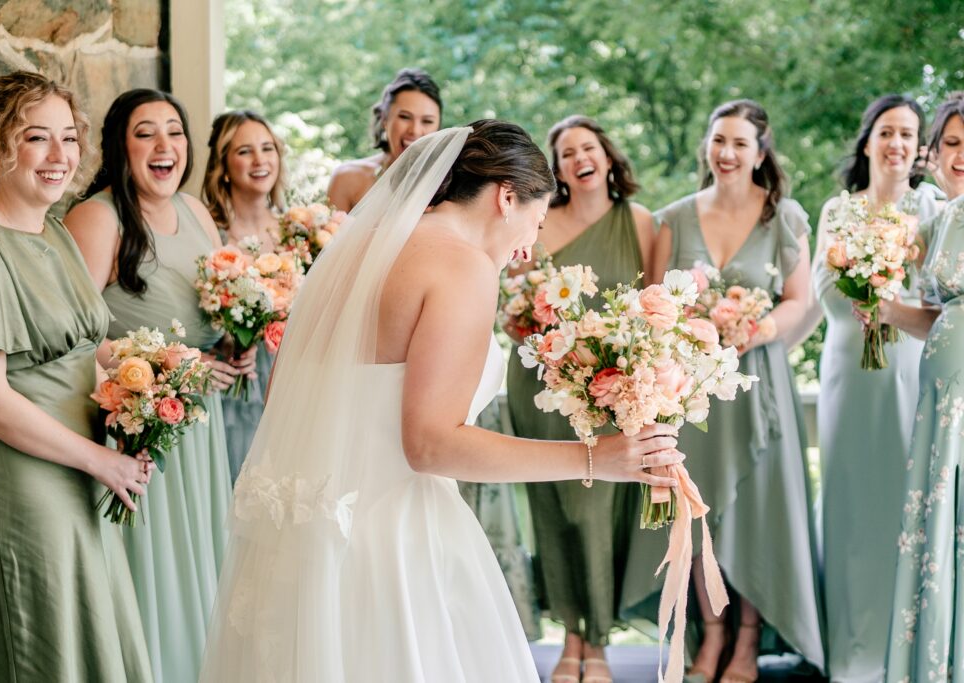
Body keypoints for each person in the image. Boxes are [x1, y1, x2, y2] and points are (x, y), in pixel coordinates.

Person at [199, 122, 685, 682]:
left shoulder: (362, 247)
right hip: (396, 545)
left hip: (311, 536)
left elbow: (282, 385)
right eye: (537, 219)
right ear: (506, 196)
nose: (531, 244)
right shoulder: (462, 265)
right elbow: (431, 445)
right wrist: (597, 458)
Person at [0, 71, 152, 681]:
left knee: (91, 636)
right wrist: (101, 461)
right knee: (41, 648)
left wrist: (159, 370)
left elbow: (83, 346)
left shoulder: (54, 231)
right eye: (37, 138)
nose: (60, 157)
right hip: (22, 480)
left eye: (69, 137)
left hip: (83, 468)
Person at [621, 100, 825, 682]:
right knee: (697, 507)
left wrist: (750, 330)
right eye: (718, 141)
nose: (727, 153)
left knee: (761, 512)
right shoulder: (675, 219)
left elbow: (799, 300)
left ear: (760, 153)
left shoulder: (785, 218)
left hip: (759, 385)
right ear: (706, 147)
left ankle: (749, 641)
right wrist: (694, 335)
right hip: (692, 391)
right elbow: (654, 302)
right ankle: (710, 634)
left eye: (740, 143)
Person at [65, 89, 242, 683]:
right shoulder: (98, 216)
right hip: (141, 429)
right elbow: (72, 340)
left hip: (200, 424)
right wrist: (174, 367)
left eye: (175, 131)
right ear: (120, 146)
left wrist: (231, 347)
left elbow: (209, 313)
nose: (165, 146)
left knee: (201, 565)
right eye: (146, 133)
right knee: (155, 571)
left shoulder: (195, 212)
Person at [794, 94, 939, 683]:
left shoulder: (931, 209)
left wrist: (888, 297)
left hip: (909, 371)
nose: (897, 143)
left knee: (903, 499)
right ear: (867, 141)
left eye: (908, 134)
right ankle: (849, 652)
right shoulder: (837, 210)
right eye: (887, 132)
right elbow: (816, 298)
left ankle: (900, 649)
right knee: (851, 502)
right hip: (848, 372)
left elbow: (936, 299)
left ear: (920, 149)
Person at [505, 114, 654, 683]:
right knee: (556, 509)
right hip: (543, 389)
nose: (577, 158)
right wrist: (519, 319)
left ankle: (598, 642)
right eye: (565, 153)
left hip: (608, 390)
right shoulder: (540, 224)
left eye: (586, 147)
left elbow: (653, 307)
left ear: (608, 157)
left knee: (599, 511)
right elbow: (512, 299)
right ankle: (569, 638)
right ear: (558, 170)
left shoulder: (639, 222)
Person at [874, 92, 964, 682]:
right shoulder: (946, 217)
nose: (963, 156)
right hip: (941, 385)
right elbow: (936, 315)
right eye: (953, 143)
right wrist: (885, 310)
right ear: (936, 152)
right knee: (939, 517)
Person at [202, 109, 288, 481]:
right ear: (223, 164)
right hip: (234, 378)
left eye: (267, 148)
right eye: (244, 151)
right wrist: (234, 340)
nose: (260, 160)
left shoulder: (297, 231)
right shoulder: (207, 232)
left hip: (290, 377)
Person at [326, 68, 441, 211]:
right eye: (405, 117)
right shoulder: (347, 177)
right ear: (385, 120)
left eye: (427, 121)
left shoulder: (448, 188)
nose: (415, 131)